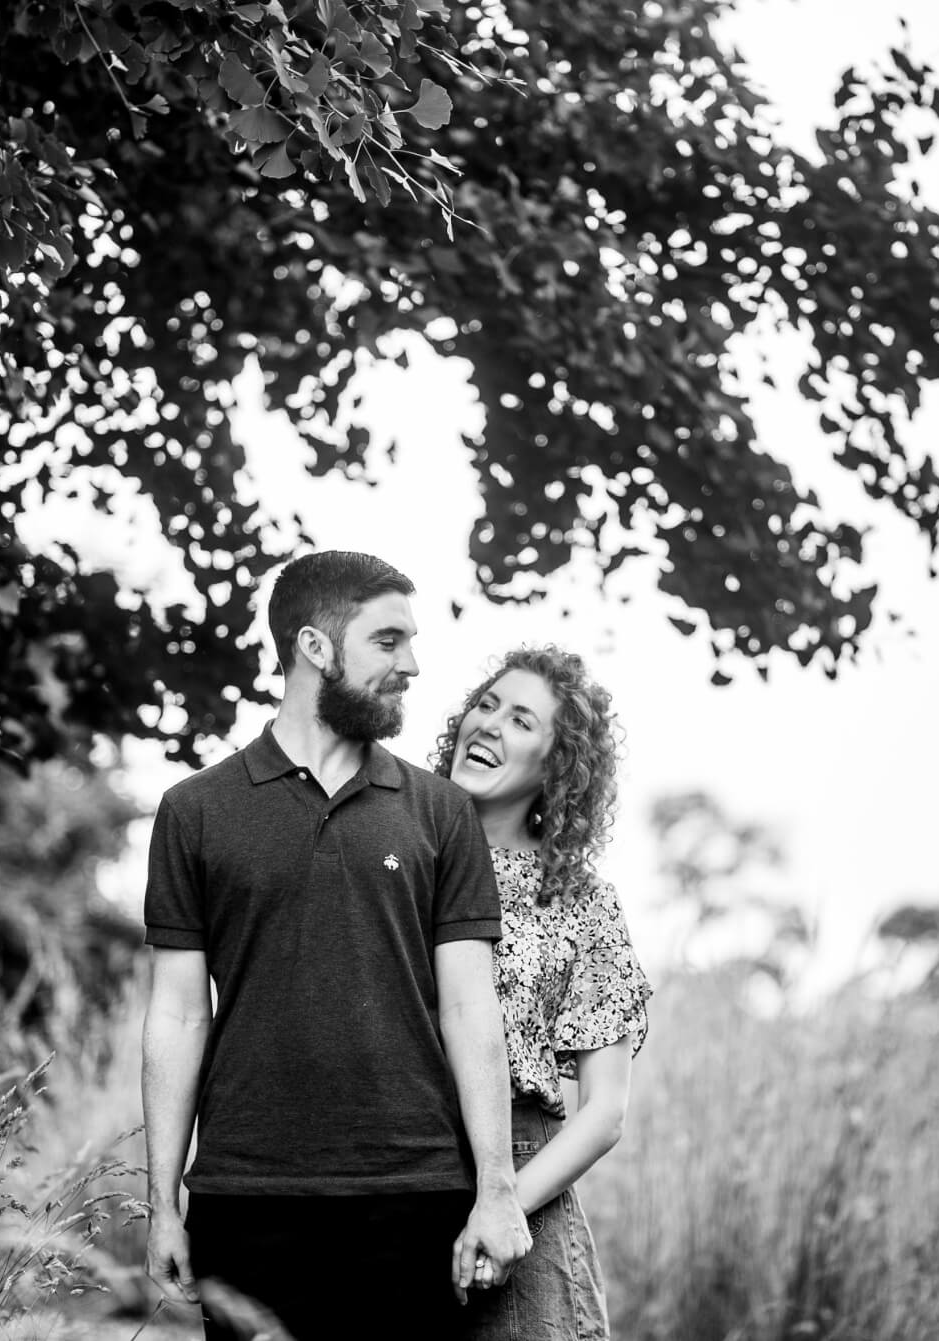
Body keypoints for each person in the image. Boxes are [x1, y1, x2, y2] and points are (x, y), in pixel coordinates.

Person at [141, 551, 533, 1341]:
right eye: (388, 641)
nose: (412, 664)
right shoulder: (194, 811)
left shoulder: (441, 812)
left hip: (414, 1196)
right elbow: (179, 1016)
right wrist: (162, 1203)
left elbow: (469, 1005)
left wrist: (496, 1188)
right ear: (315, 646)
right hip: (245, 1198)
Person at [435, 644, 651, 1339]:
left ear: (558, 764)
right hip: (395, 1162)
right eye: (487, 704)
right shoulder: (399, 863)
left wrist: (504, 1207)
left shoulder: (581, 900)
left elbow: (605, 1110)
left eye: (521, 719)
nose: (489, 724)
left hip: (522, 1179)